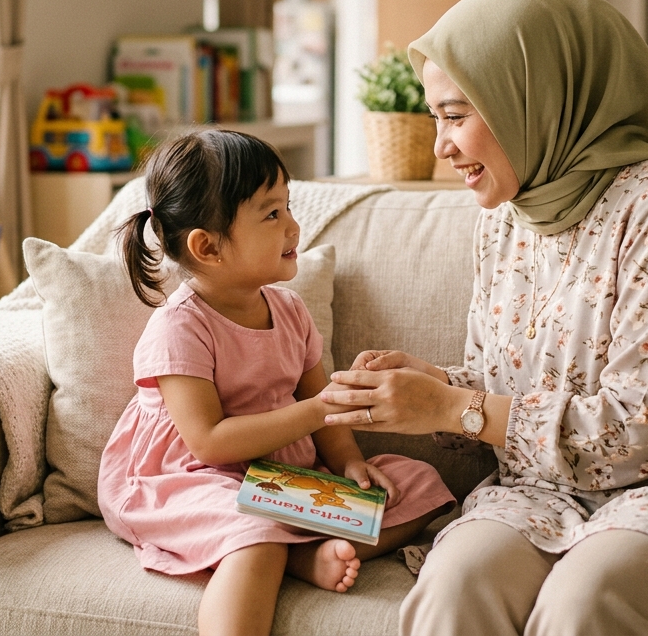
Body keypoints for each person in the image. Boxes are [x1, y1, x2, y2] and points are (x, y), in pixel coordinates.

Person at [318, 0, 648, 636]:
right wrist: (436, 386)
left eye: (455, 116)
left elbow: (643, 434)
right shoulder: (505, 217)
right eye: (435, 118)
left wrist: (451, 407)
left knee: (585, 599)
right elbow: (503, 387)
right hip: (542, 491)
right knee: (455, 583)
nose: (441, 146)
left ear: (530, 98)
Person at [98, 130, 455, 636]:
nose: (293, 226)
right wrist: (318, 409)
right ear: (207, 246)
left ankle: (299, 553)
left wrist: (349, 463)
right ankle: (282, 549)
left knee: (418, 485)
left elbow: (323, 412)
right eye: (271, 214)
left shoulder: (290, 311)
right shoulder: (180, 327)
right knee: (253, 533)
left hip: (274, 477)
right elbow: (210, 441)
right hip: (189, 480)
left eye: (288, 207)